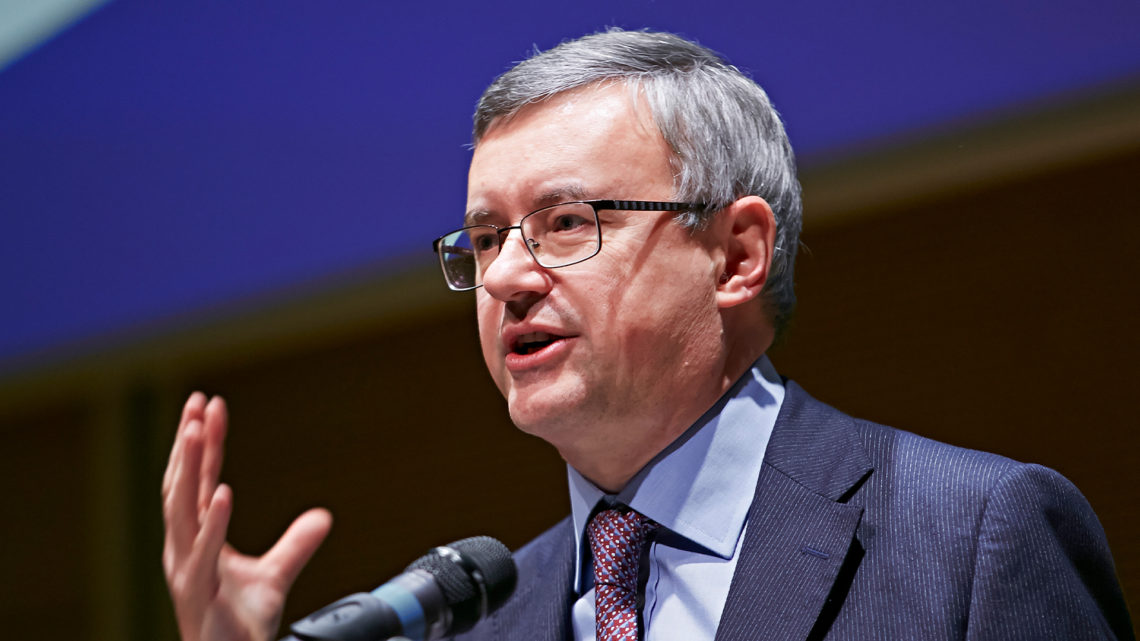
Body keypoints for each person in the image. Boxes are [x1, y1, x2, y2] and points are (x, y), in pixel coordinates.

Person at [161, 29, 1134, 641]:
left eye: (566, 223)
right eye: (487, 237)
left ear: (736, 253)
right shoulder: (481, 616)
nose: (503, 277)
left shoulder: (972, 539)